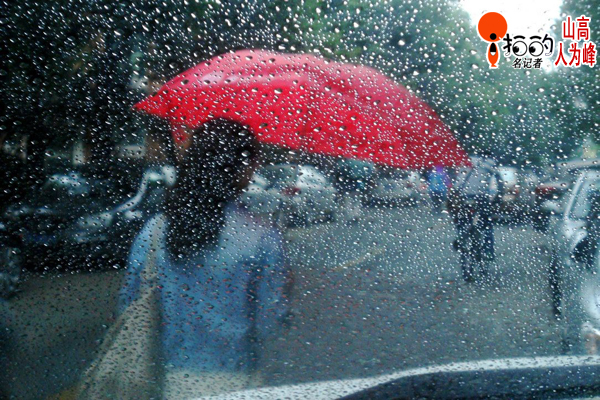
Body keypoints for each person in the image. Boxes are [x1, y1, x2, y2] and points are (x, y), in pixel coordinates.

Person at [118, 119, 291, 398]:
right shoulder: (262, 236)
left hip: (168, 379)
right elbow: (268, 323)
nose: (255, 168)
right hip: (235, 379)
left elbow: (129, 302)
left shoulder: (156, 229)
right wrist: (285, 289)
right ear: (241, 168)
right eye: (253, 161)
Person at [448, 154, 501, 281]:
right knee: (487, 225)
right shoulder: (490, 162)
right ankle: (488, 251)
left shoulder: (463, 160)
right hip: (481, 197)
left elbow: (455, 180)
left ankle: (461, 235)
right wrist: (498, 197)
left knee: (461, 221)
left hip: (462, 197)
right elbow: (498, 182)